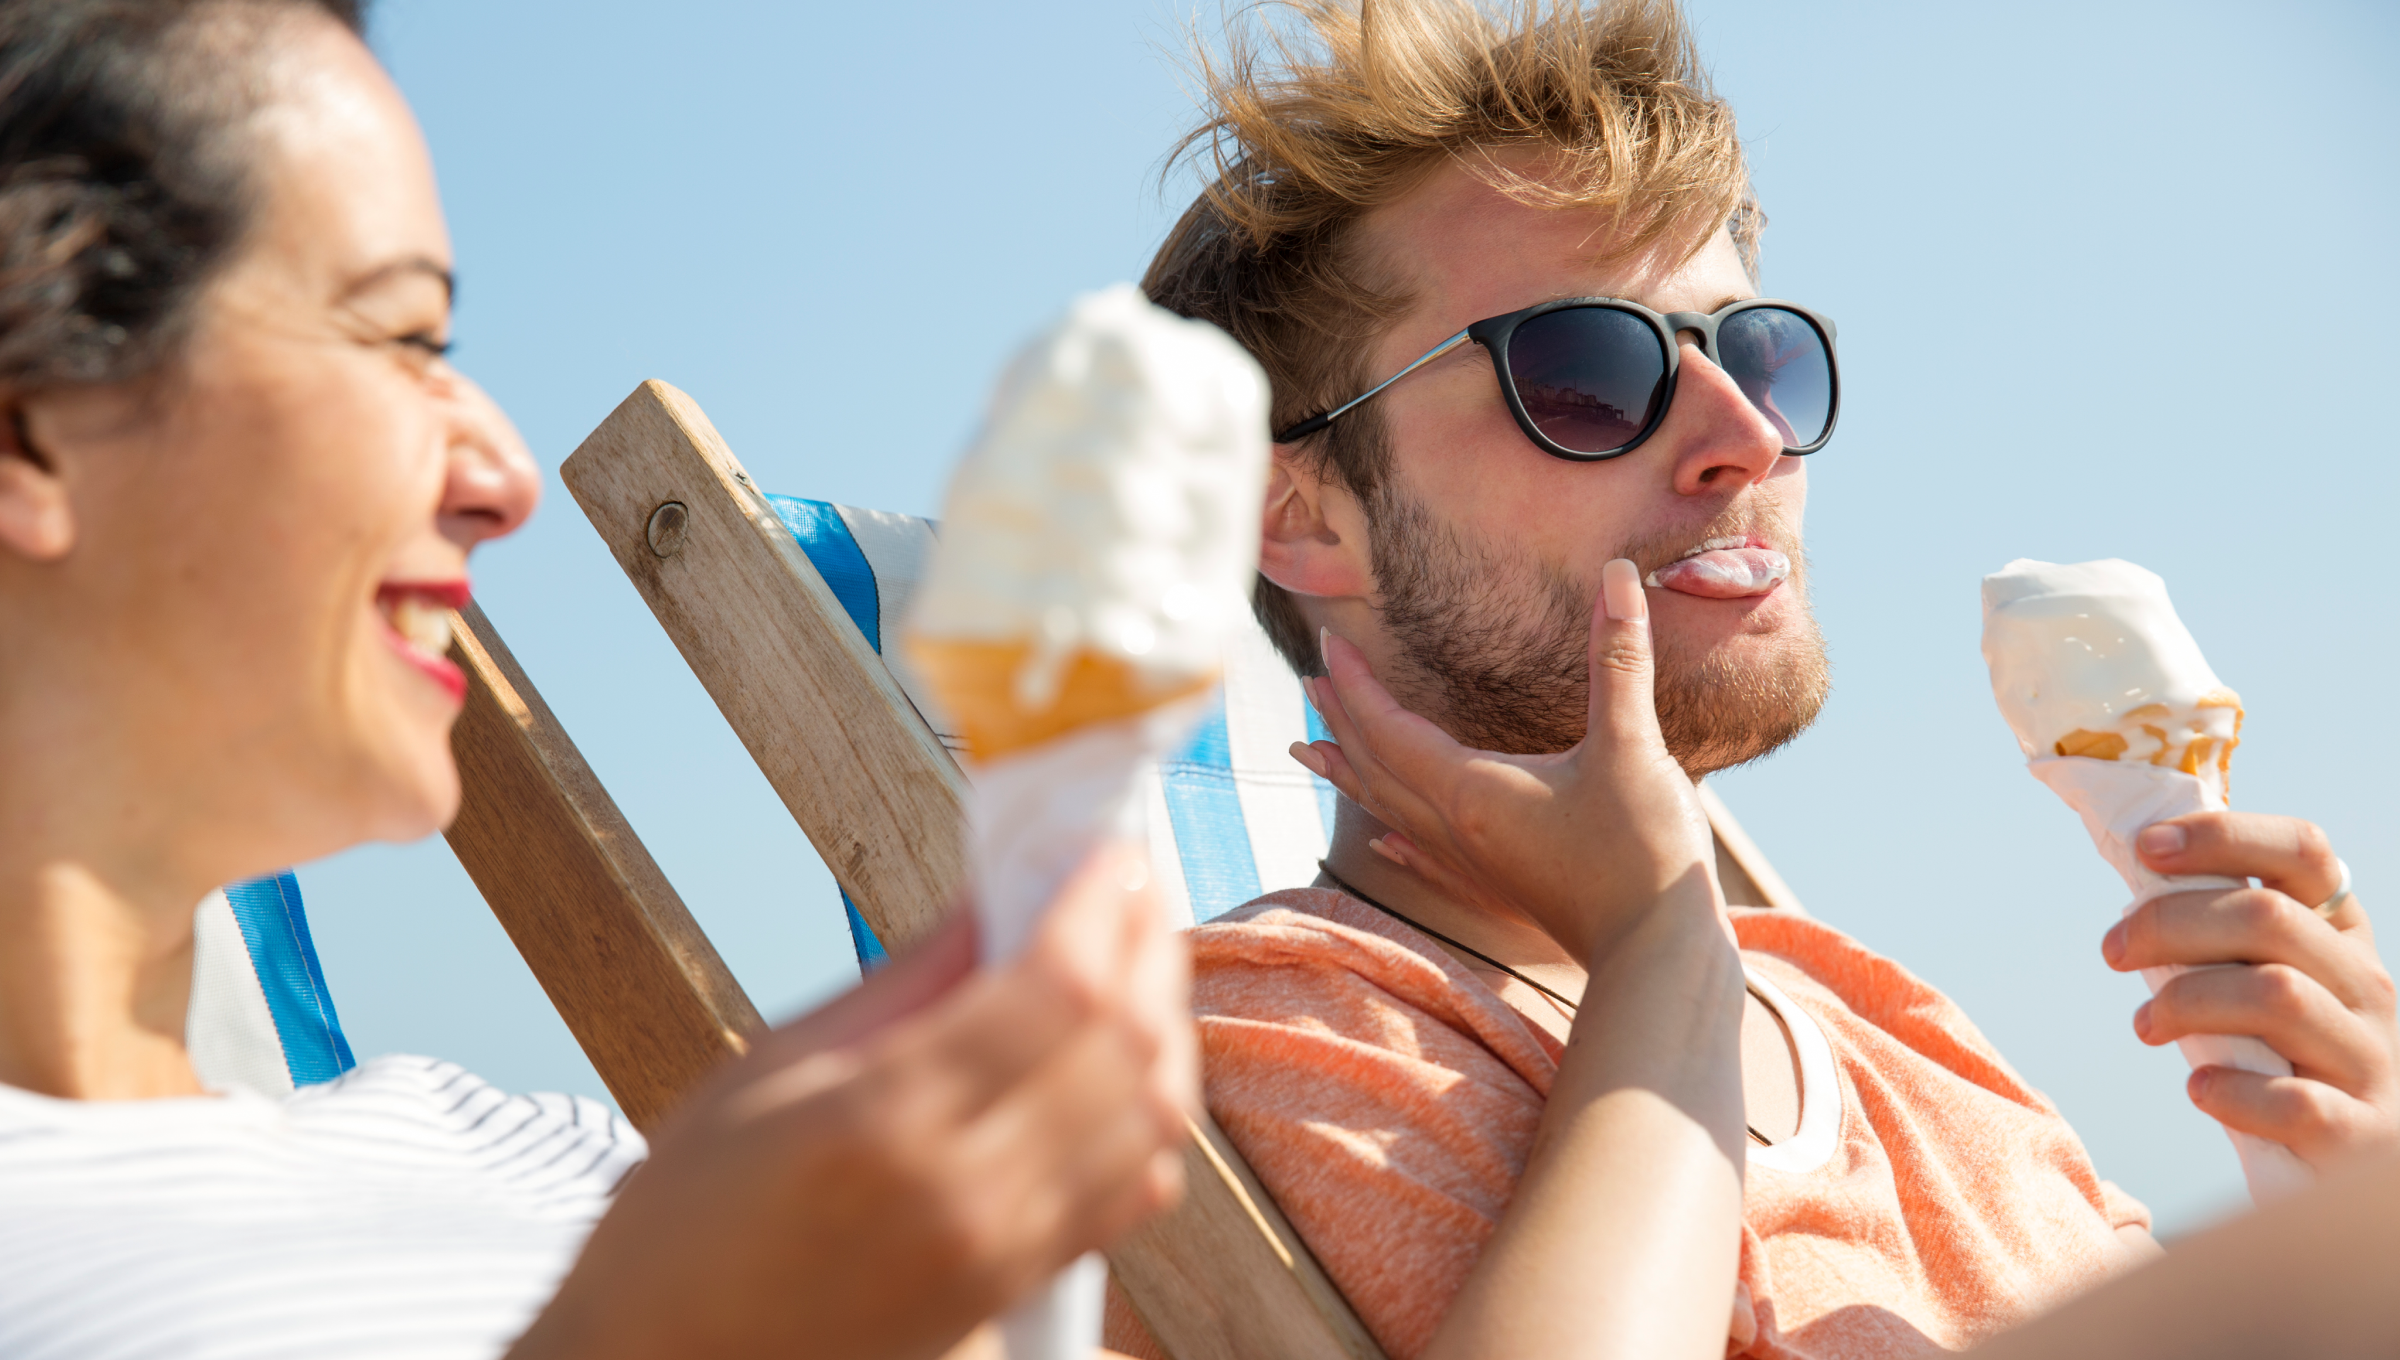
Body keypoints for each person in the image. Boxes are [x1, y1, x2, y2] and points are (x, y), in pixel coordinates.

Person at [1119, 1, 2400, 1357]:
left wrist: (2356, 1178)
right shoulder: (1269, 1040)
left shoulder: (1892, 1027)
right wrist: (1665, 943)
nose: (1748, 438)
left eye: (1758, 353)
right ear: (1299, 516)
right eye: (1588, 374)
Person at [0, 3, 1194, 1358]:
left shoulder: (541, 1156)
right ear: (31, 431)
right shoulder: (661, 1253)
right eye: (398, 341)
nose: (505, 480)